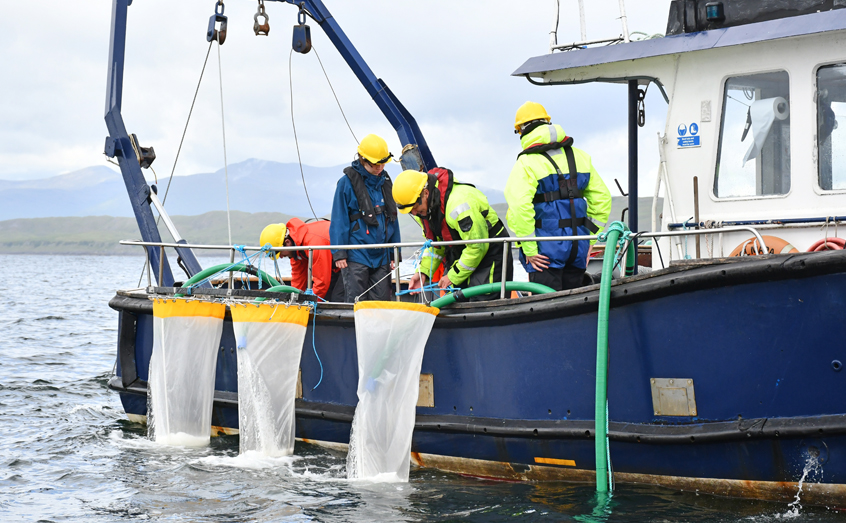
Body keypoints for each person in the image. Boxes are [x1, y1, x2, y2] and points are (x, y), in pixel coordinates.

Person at [505, 101, 612, 291]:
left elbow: (520, 207)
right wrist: (590, 239)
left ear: (521, 130)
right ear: (547, 122)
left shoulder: (526, 163)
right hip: (578, 248)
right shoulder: (581, 156)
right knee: (575, 301)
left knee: (546, 304)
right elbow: (602, 199)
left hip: (544, 254)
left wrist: (530, 249)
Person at [393, 167, 512, 301]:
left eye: (414, 207)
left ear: (425, 193)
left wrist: (452, 276)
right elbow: (436, 245)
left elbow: (477, 247)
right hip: (459, 252)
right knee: (452, 300)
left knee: (483, 299)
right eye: (410, 211)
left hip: (490, 251)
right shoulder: (424, 211)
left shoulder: (458, 205)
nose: (414, 213)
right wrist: (423, 272)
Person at [329, 134, 401, 302]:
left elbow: (392, 218)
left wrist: (394, 253)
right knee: (356, 303)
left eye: (383, 163)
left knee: (382, 304)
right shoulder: (346, 183)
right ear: (363, 159)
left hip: (382, 256)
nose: (379, 168)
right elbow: (339, 219)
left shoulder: (385, 182)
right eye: (375, 164)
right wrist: (339, 253)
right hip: (356, 256)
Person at [259, 219, 344, 301]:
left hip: (347, 261)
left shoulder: (313, 244)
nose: (281, 257)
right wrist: (294, 300)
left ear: (287, 242)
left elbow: (322, 282)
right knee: (325, 297)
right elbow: (298, 280)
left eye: (279, 252)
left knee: (338, 298)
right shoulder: (295, 248)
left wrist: (309, 303)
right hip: (335, 267)